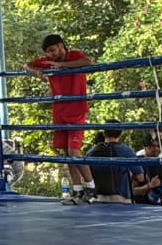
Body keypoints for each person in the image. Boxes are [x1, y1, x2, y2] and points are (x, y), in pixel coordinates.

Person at [23, 35, 94, 204]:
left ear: (61, 46)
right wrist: (36, 72)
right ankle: (78, 190)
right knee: (66, 153)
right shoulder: (48, 61)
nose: (51, 55)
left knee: (74, 151)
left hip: (77, 110)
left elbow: (88, 62)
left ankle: (92, 188)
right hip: (60, 111)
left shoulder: (75, 55)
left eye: (53, 50)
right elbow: (26, 65)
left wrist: (62, 66)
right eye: (48, 52)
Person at [85, 124, 144, 204]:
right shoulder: (126, 151)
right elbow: (141, 178)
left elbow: (85, 175)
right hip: (121, 199)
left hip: (97, 198)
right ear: (120, 134)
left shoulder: (90, 152)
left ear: (104, 133)